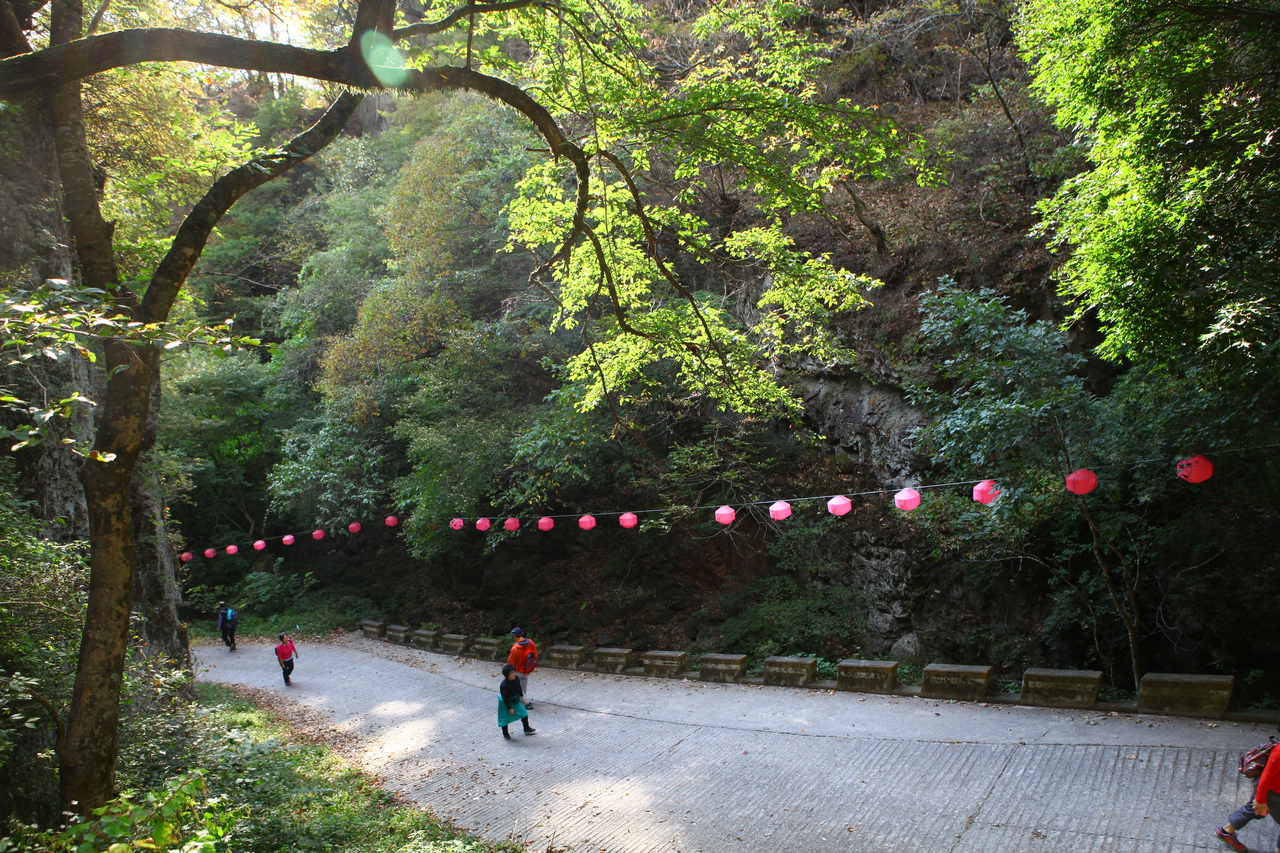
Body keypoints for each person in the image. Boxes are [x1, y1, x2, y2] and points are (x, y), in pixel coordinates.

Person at [1216, 745, 1280, 853]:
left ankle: (1226, 832)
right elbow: (1266, 776)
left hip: (1268, 790)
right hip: (1271, 792)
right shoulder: (1278, 752)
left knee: (1252, 809)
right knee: (1255, 808)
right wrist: (1260, 800)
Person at [498, 663, 535, 740]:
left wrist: (522, 697)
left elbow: (519, 688)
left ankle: (526, 728)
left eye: (513, 672)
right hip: (506, 702)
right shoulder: (504, 685)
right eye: (511, 673)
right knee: (504, 718)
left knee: (523, 713)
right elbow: (504, 697)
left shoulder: (516, 679)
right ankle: (505, 733)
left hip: (516, 698)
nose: (513, 674)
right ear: (507, 675)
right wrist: (510, 708)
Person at [506, 627, 538, 709]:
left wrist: (508, 671)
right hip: (527, 668)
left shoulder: (515, 648)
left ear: (514, 637)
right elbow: (535, 654)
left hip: (518, 670)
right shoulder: (530, 642)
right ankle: (522, 699)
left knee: (516, 686)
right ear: (522, 633)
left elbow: (511, 662)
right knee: (523, 684)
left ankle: (527, 702)